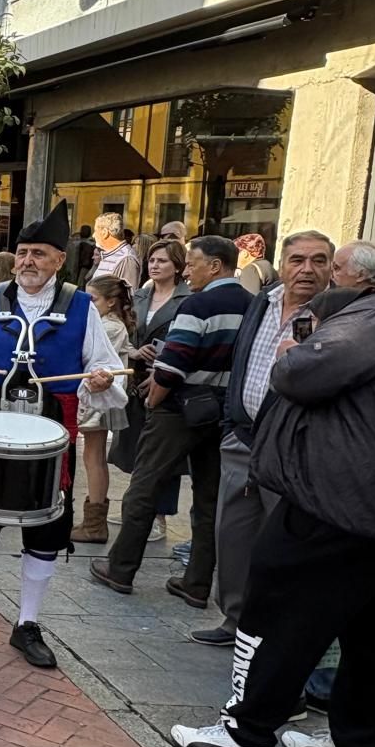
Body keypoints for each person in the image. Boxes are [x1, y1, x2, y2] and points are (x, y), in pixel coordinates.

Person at [171, 214, 375, 747]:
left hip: (341, 499)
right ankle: (358, 746)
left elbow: (298, 374)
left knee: (277, 608)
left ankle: (245, 734)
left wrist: (300, 348)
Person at [0, 204, 127, 668]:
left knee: (47, 526)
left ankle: (27, 623)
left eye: (39, 254)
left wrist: (99, 381)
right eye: (22, 253)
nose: (27, 262)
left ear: (59, 260)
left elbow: (104, 368)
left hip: (51, 435)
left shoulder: (80, 306)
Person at [88, 237, 246, 603]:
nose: (187, 270)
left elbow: (173, 364)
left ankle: (121, 568)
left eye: (193, 263)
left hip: (179, 408)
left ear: (216, 266)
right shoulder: (253, 305)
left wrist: (154, 398)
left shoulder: (198, 304)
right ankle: (197, 582)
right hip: (222, 411)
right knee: (209, 498)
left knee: (144, 486)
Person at [199, 230, 333, 647]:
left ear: (331, 267)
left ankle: (274, 634)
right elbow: (241, 361)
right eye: (297, 260)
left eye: (318, 260)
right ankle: (236, 622)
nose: (306, 269)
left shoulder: (336, 314)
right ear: (281, 263)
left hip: (292, 449)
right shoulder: (262, 300)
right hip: (242, 439)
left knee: (285, 545)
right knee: (233, 537)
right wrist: (230, 421)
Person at [108, 239, 191, 550]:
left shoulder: (186, 299)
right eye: (153, 260)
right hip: (135, 374)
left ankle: (160, 515)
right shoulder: (139, 295)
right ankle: (135, 505)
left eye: (163, 261)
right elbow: (126, 329)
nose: (156, 265)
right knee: (136, 443)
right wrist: (132, 349)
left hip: (168, 379)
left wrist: (162, 358)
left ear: (178, 266)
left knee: (164, 451)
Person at [70, 275, 134, 542]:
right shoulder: (108, 323)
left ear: (111, 301)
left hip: (101, 396)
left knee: (94, 456)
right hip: (97, 395)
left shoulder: (109, 326)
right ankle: (92, 519)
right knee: (91, 456)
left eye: (93, 299)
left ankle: (94, 521)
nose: (88, 304)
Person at [90, 213, 141, 290]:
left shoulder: (126, 259)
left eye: (95, 231)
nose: (93, 235)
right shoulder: (109, 254)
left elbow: (128, 296)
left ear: (105, 232)